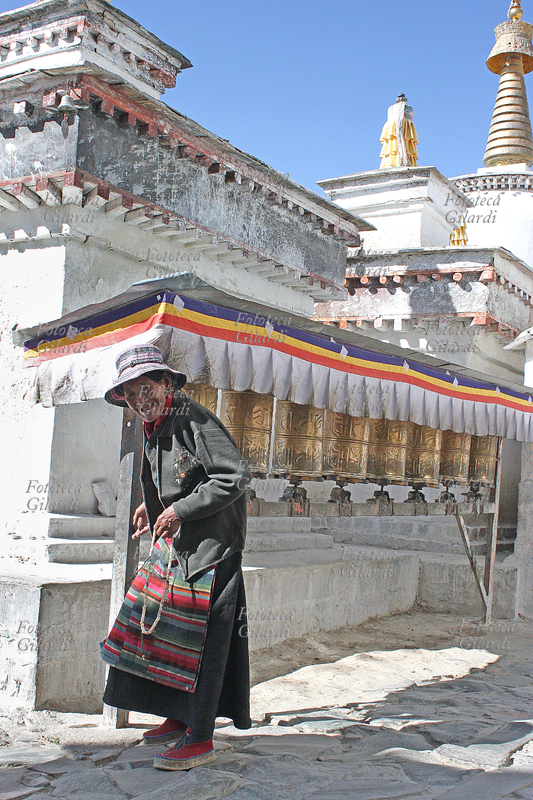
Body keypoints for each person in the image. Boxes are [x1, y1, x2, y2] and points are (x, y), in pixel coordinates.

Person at [101, 344, 252, 770]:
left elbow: (235, 474)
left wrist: (177, 510)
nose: (138, 400)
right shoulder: (156, 421)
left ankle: (200, 736)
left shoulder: (192, 417)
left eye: (145, 388)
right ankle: (177, 715)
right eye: (129, 394)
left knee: (203, 643)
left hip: (211, 550)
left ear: (166, 383)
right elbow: (181, 474)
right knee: (169, 635)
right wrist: (153, 505)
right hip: (181, 548)